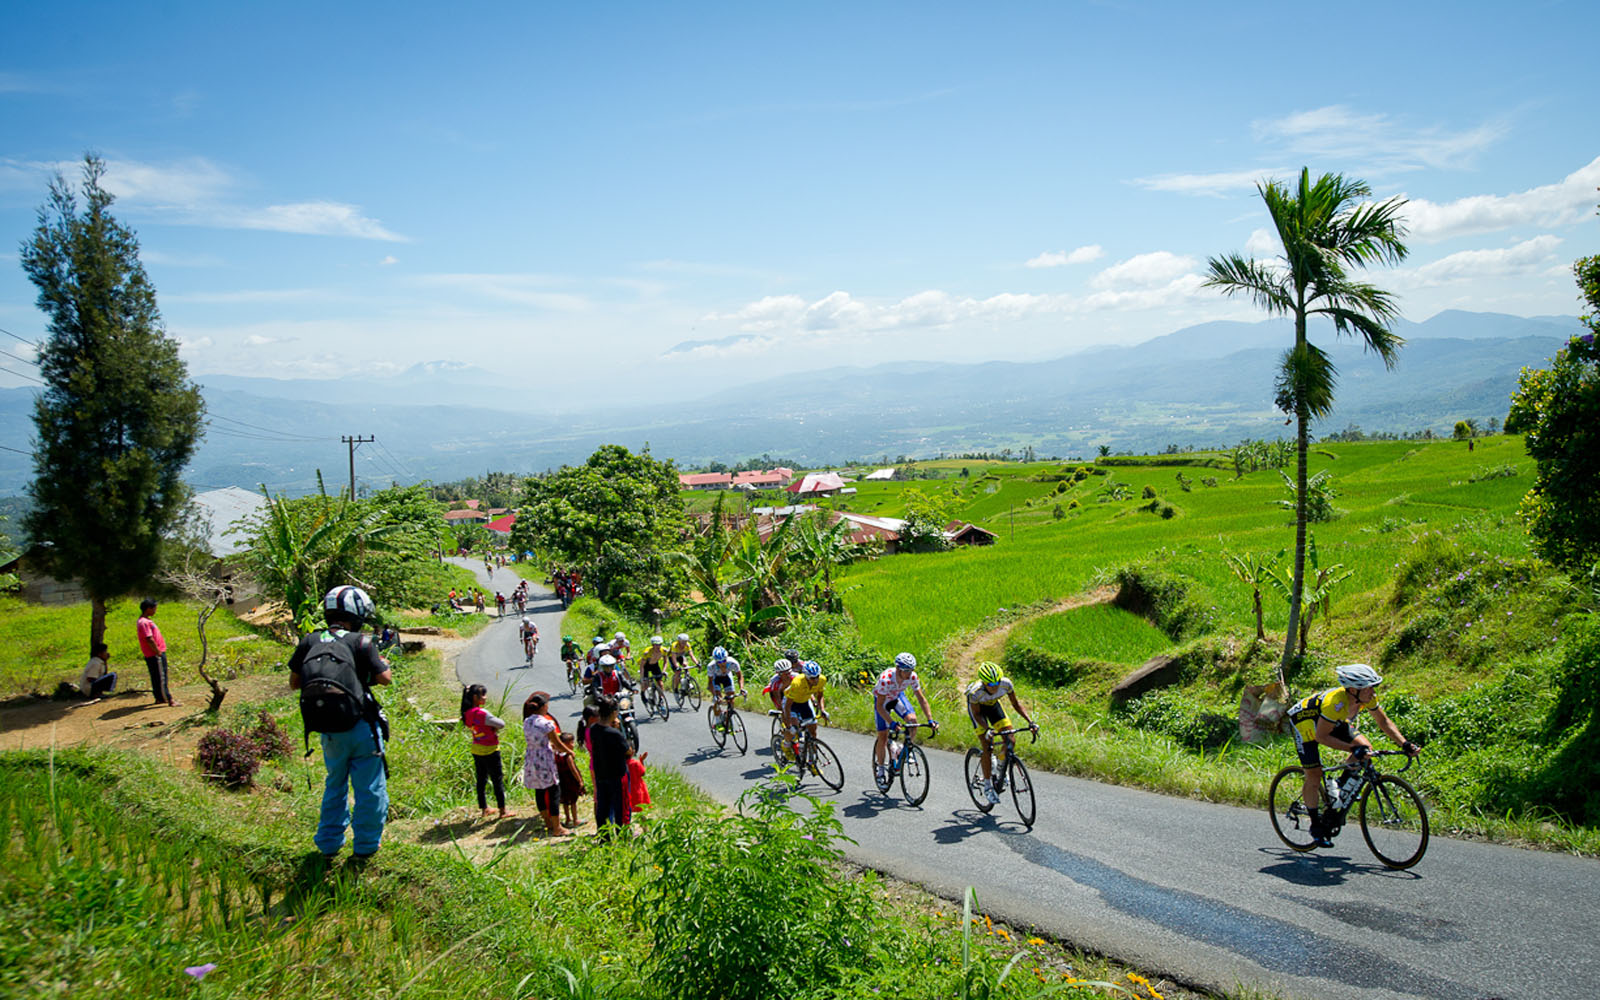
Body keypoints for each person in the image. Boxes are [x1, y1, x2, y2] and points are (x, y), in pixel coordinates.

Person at [288, 585, 392, 860]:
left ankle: (329, 843)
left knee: (335, 783)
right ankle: (367, 845)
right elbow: (385, 678)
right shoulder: (361, 642)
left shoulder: (309, 641)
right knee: (369, 786)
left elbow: (294, 683)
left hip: (327, 729)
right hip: (360, 725)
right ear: (357, 614)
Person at [1287, 663, 1419, 848]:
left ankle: (1340, 787)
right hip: (1306, 724)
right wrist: (1351, 749)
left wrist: (1404, 743)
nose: (1373, 692)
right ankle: (1316, 825)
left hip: (1333, 720)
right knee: (1314, 775)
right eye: (1369, 688)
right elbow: (1321, 737)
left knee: (1364, 747)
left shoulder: (1365, 698)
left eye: (1374, 687)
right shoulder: (1335, 702)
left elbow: (1383, 721)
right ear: (1353, 689)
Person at [964, 661, 1037, 805]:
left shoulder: (1006, 684)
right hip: (979, 712)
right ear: (984, 683)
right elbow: (977, 715)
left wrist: (1030, 722)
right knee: (987, 745)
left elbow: (1016, 704)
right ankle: (987, 786)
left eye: (997, 682)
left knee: (1010, 739)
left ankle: (1000, 766)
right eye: (991, 685)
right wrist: (987, 729)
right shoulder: (975, 692)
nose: (995, 686)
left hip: (993, 707)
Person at [872, 653, 937, 784]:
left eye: (911, 670)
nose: (909, 674)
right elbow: (880, 707)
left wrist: (930, 719)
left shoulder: (912, 677)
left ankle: (903, 749)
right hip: (883, 702)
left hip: (896, 697)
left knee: (913, 722)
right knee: (883, 736)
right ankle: (880, 769)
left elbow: (921, 699)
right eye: (906, 671)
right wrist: (891, 723)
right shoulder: (886, 679)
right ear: (898, 668)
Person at [521, 691, 570, 837]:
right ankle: (557, 828)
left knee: (539, 791)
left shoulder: (527, 721)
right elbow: (557, 743)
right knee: (554, 791)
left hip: (531, 758)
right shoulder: (547, 723)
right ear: (543, 707)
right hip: (544, 759)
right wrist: (570, 752)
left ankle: (548, 822)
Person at [462, 683, 512, 820]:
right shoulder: (481, 713)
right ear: (475, 697)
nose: (485, 697)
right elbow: (501, 724)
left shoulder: (466, 714)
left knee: (481, 779)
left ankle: (484, 808)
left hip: (476, 749)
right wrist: (493, 728)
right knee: (497, 780)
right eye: (483, 695)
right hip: (490, 749)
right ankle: (503, 810)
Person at [589, 697, 634, 837]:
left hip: (601, 773)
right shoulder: (615, 734)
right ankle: (622, 835)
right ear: (614, 713)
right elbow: (628, 751)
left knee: (603, 807)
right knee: (621, 807)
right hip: (617, 775)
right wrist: (619, 729)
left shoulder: (593, 729)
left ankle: (604, 837)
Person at [136, 599, 179, 707]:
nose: (155, 610)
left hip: (153, 654)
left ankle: (159, 697)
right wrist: (158, 651)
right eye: (154, 608)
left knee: (156, 677)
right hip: (155, 654)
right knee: (161, 677)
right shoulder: (144, 623)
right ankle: (169, 699)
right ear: (148, 609)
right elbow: (149, 638)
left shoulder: (144, 621)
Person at [782, 660, 829, 745]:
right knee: (794, 730)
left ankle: (813, 755)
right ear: (806, 677)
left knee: (813, 732)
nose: (816, 680)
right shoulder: (797, 683)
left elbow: (820, 695)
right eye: (812, 678)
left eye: (817, 676)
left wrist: (822, 710)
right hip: (792, 703)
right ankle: (786, 745)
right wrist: (789, 725)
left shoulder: (822, 679)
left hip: (805, 701)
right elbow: (787, 706)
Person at [706, 646, 744, 726]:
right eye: (719, 662)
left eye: (724, 660)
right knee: (717, 699)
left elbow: (740, 676)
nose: (722, 663)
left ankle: (726, 718)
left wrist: (741, 688)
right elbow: (710, 682)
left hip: (727, 677)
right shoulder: (711, 666)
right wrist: (715, 695)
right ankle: (718, 721)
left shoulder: (733, 662)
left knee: (731, 700)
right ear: (715, 661)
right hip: (716, 678)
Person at [637, 636, 670, 703]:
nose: (658, 646)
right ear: (653, 645)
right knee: (645, 683)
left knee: (660, 683)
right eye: (656, 645)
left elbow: (665, 662)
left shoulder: (663, 651)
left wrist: (663, 671)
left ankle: (661, 699)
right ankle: (642, 693)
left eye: (660, 644)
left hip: (655, 665)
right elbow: (642, 666)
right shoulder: (647, 652)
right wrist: (642, 677)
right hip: (646, 666)